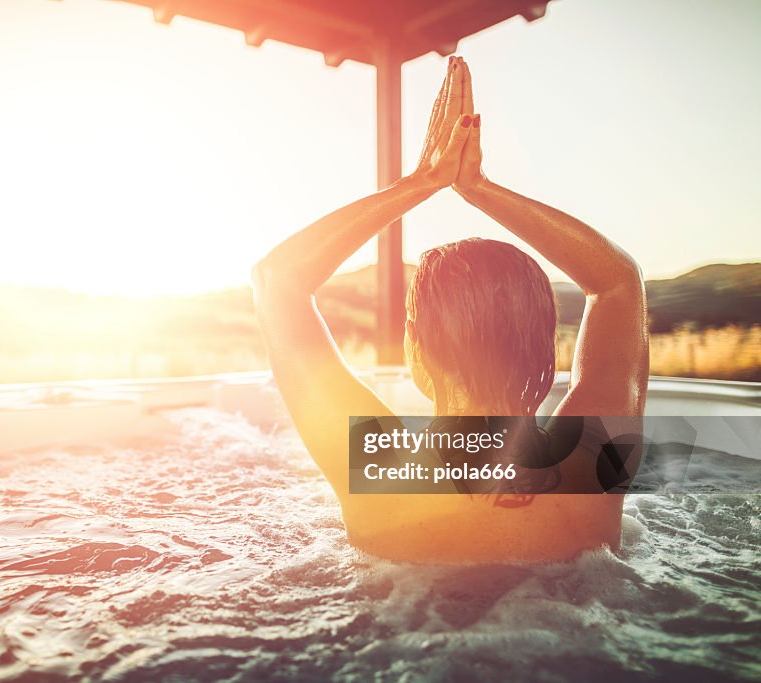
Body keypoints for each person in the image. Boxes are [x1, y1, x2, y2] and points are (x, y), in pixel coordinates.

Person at [251, 57, 648, 563]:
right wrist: (479, 187)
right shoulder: (589, 467)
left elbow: (278, 279)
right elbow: (619, 282)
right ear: (544, 347)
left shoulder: (379, 473)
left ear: (416, 348)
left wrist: (420, 182)